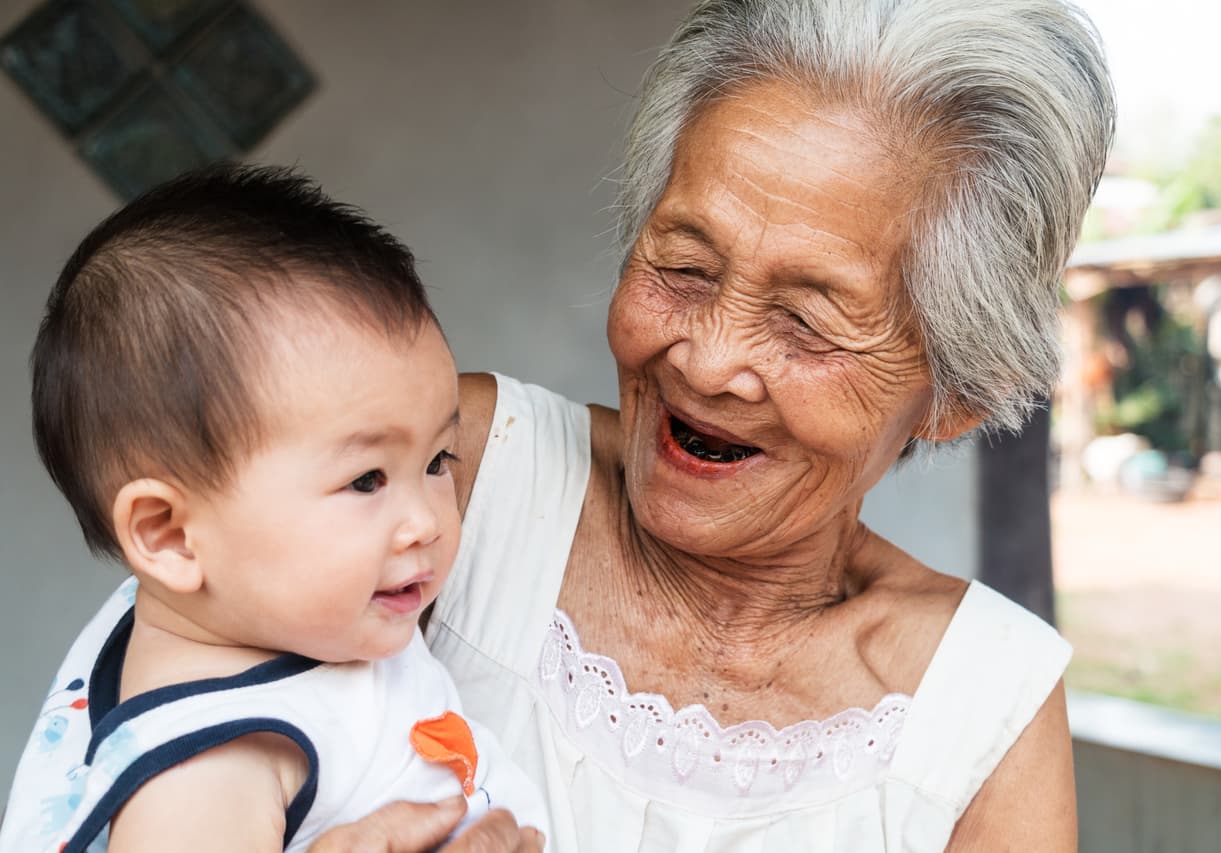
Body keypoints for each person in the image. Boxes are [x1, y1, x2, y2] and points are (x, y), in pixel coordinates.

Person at [417, 0, 1115, 850]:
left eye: (806, 323)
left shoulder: (982, 705)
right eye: (683, 267)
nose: (706, 362)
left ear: (955, 395)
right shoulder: (451, 474)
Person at [0, 166, 547, 853]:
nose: (428, 521)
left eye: (439, 461)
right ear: (169, 535)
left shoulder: (270, 620)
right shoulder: (209, 772)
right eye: (367, 479)